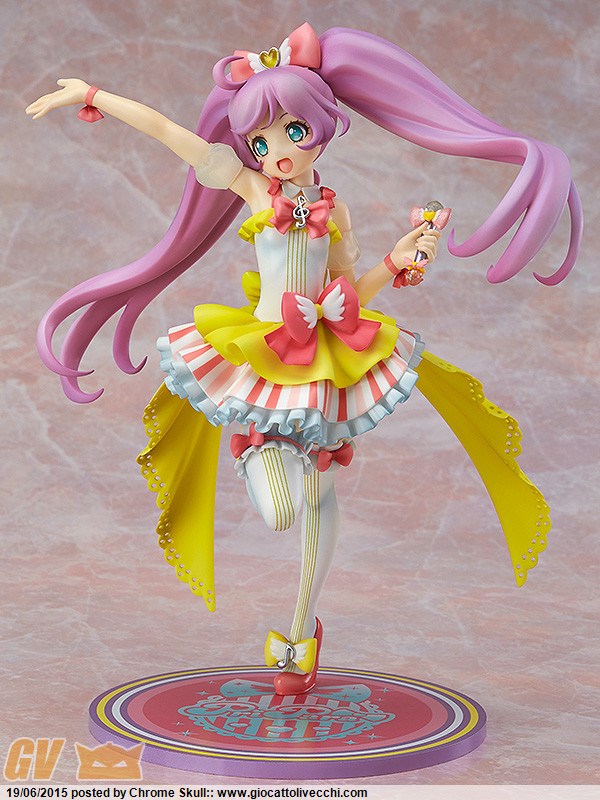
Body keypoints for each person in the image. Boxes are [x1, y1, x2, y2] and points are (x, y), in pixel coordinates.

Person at [26, 24, 581, 696]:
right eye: (262, 142)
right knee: (280, 511)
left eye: (291, 133)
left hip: (320, 356)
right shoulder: (252, 189)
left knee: (317, 489)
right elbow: (172, 134)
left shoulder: (333, 211)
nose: (277, 153)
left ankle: (300, 634)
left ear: (319, 127)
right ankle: (257, 458)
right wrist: (95, 95)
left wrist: (396, 261)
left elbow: (348, 288)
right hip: (263, 354)